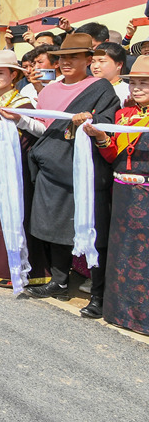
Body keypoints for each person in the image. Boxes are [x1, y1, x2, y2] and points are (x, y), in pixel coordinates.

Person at [9, 34, 121, 313]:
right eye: (61, 57)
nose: (66, 62)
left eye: (74, 57)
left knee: (93, 232)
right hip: (51, 169)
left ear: (88, 60)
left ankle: (98, 295)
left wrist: (90, 123)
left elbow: (106, 127)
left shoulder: (101, 88)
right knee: (53, 227)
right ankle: (59, 282)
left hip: (84, 173)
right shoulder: (48, 90)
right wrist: (19, 119)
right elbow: (43, 130)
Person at [0, 51, 50, 287]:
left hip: (15, 167)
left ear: (14, 75)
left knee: (16, 211)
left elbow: (41, 130)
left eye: (0, 73)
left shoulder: (23, 103)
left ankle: (18, 267)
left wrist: (18, 120)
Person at [84, 55, 149, 334]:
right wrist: (100, 137)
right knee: (122, 251)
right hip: (122, 193)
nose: (136, 88)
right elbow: (112, 154)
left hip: (146, 195)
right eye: (133, 82)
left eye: (144, 83)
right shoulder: (124, 116)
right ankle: (120, 311)